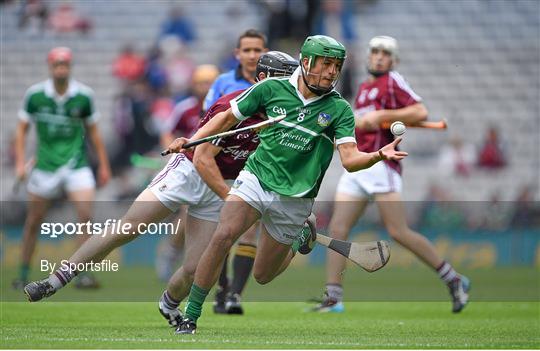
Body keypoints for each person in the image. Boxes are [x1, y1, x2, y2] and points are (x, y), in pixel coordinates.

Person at [22, 52, 300, 326]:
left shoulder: (289, 117)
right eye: (287, 79)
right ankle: (55, 280)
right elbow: (203, 159)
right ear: (264, 79)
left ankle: (168, 302)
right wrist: (231, 199)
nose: (293, 87)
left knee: (194, 269)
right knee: (128, 227)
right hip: (190, 172)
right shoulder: (234, 106)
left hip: (224, 185)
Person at [164, 35, 408, 335]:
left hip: (297, 197)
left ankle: (298, 240)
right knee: (223, 235)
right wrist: (194, 138)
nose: (332, 71)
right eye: (326, 64)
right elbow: (226, 118)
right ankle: (192, 315)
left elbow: (349, 159)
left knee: (263, 274)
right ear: (306, 63)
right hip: (257, 178)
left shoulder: (339, 109)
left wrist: (377, 155)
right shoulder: (270, 89)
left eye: (337, 66)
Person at [311, 36, 470, 314]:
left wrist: (380, 115)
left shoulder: (392, 81)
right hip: (359, 163)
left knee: (398, 231)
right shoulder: (363, 88)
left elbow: (420, 111)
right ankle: (333, 298)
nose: (379, 56)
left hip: (383, 164)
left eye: (385, 53)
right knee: (337, 229)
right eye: (375, 51)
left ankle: (453, 278)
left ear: (393, 60)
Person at [13, 47, 111, 289]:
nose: (61, 68)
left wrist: (104, 165)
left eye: (65, 64)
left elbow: (94, 133)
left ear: (70, 67)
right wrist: (19, 163)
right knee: (34, 220)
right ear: (50, 67)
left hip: (76, 164)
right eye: (57, 65)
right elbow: (22, 130)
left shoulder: (83, 95)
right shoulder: (35, 95)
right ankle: (23, 273)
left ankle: (82, 274)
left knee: (86, 217)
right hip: (45, 165)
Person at [202, 28, 268, 313]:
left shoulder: (275, 83)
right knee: (222, 233)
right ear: (237, 54)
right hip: (221, 164)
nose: (253, 55)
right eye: (248, 50)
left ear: (265, 53)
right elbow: (207, 123)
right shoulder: (222, 82)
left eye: (258, 50)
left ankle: (234, 296)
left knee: (248, 231)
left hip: (252, 168)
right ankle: (222, 288)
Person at [155, 64, 220, 282]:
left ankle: (182, 257)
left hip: (214, 169)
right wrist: (174, 156)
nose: (206, 87)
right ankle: (173, 251)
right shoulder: (185, 109)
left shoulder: (223, 108)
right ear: (194, 85)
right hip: (189, 168)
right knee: (186, 213)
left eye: (210, 82)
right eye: (202, 82)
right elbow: (168, 133)